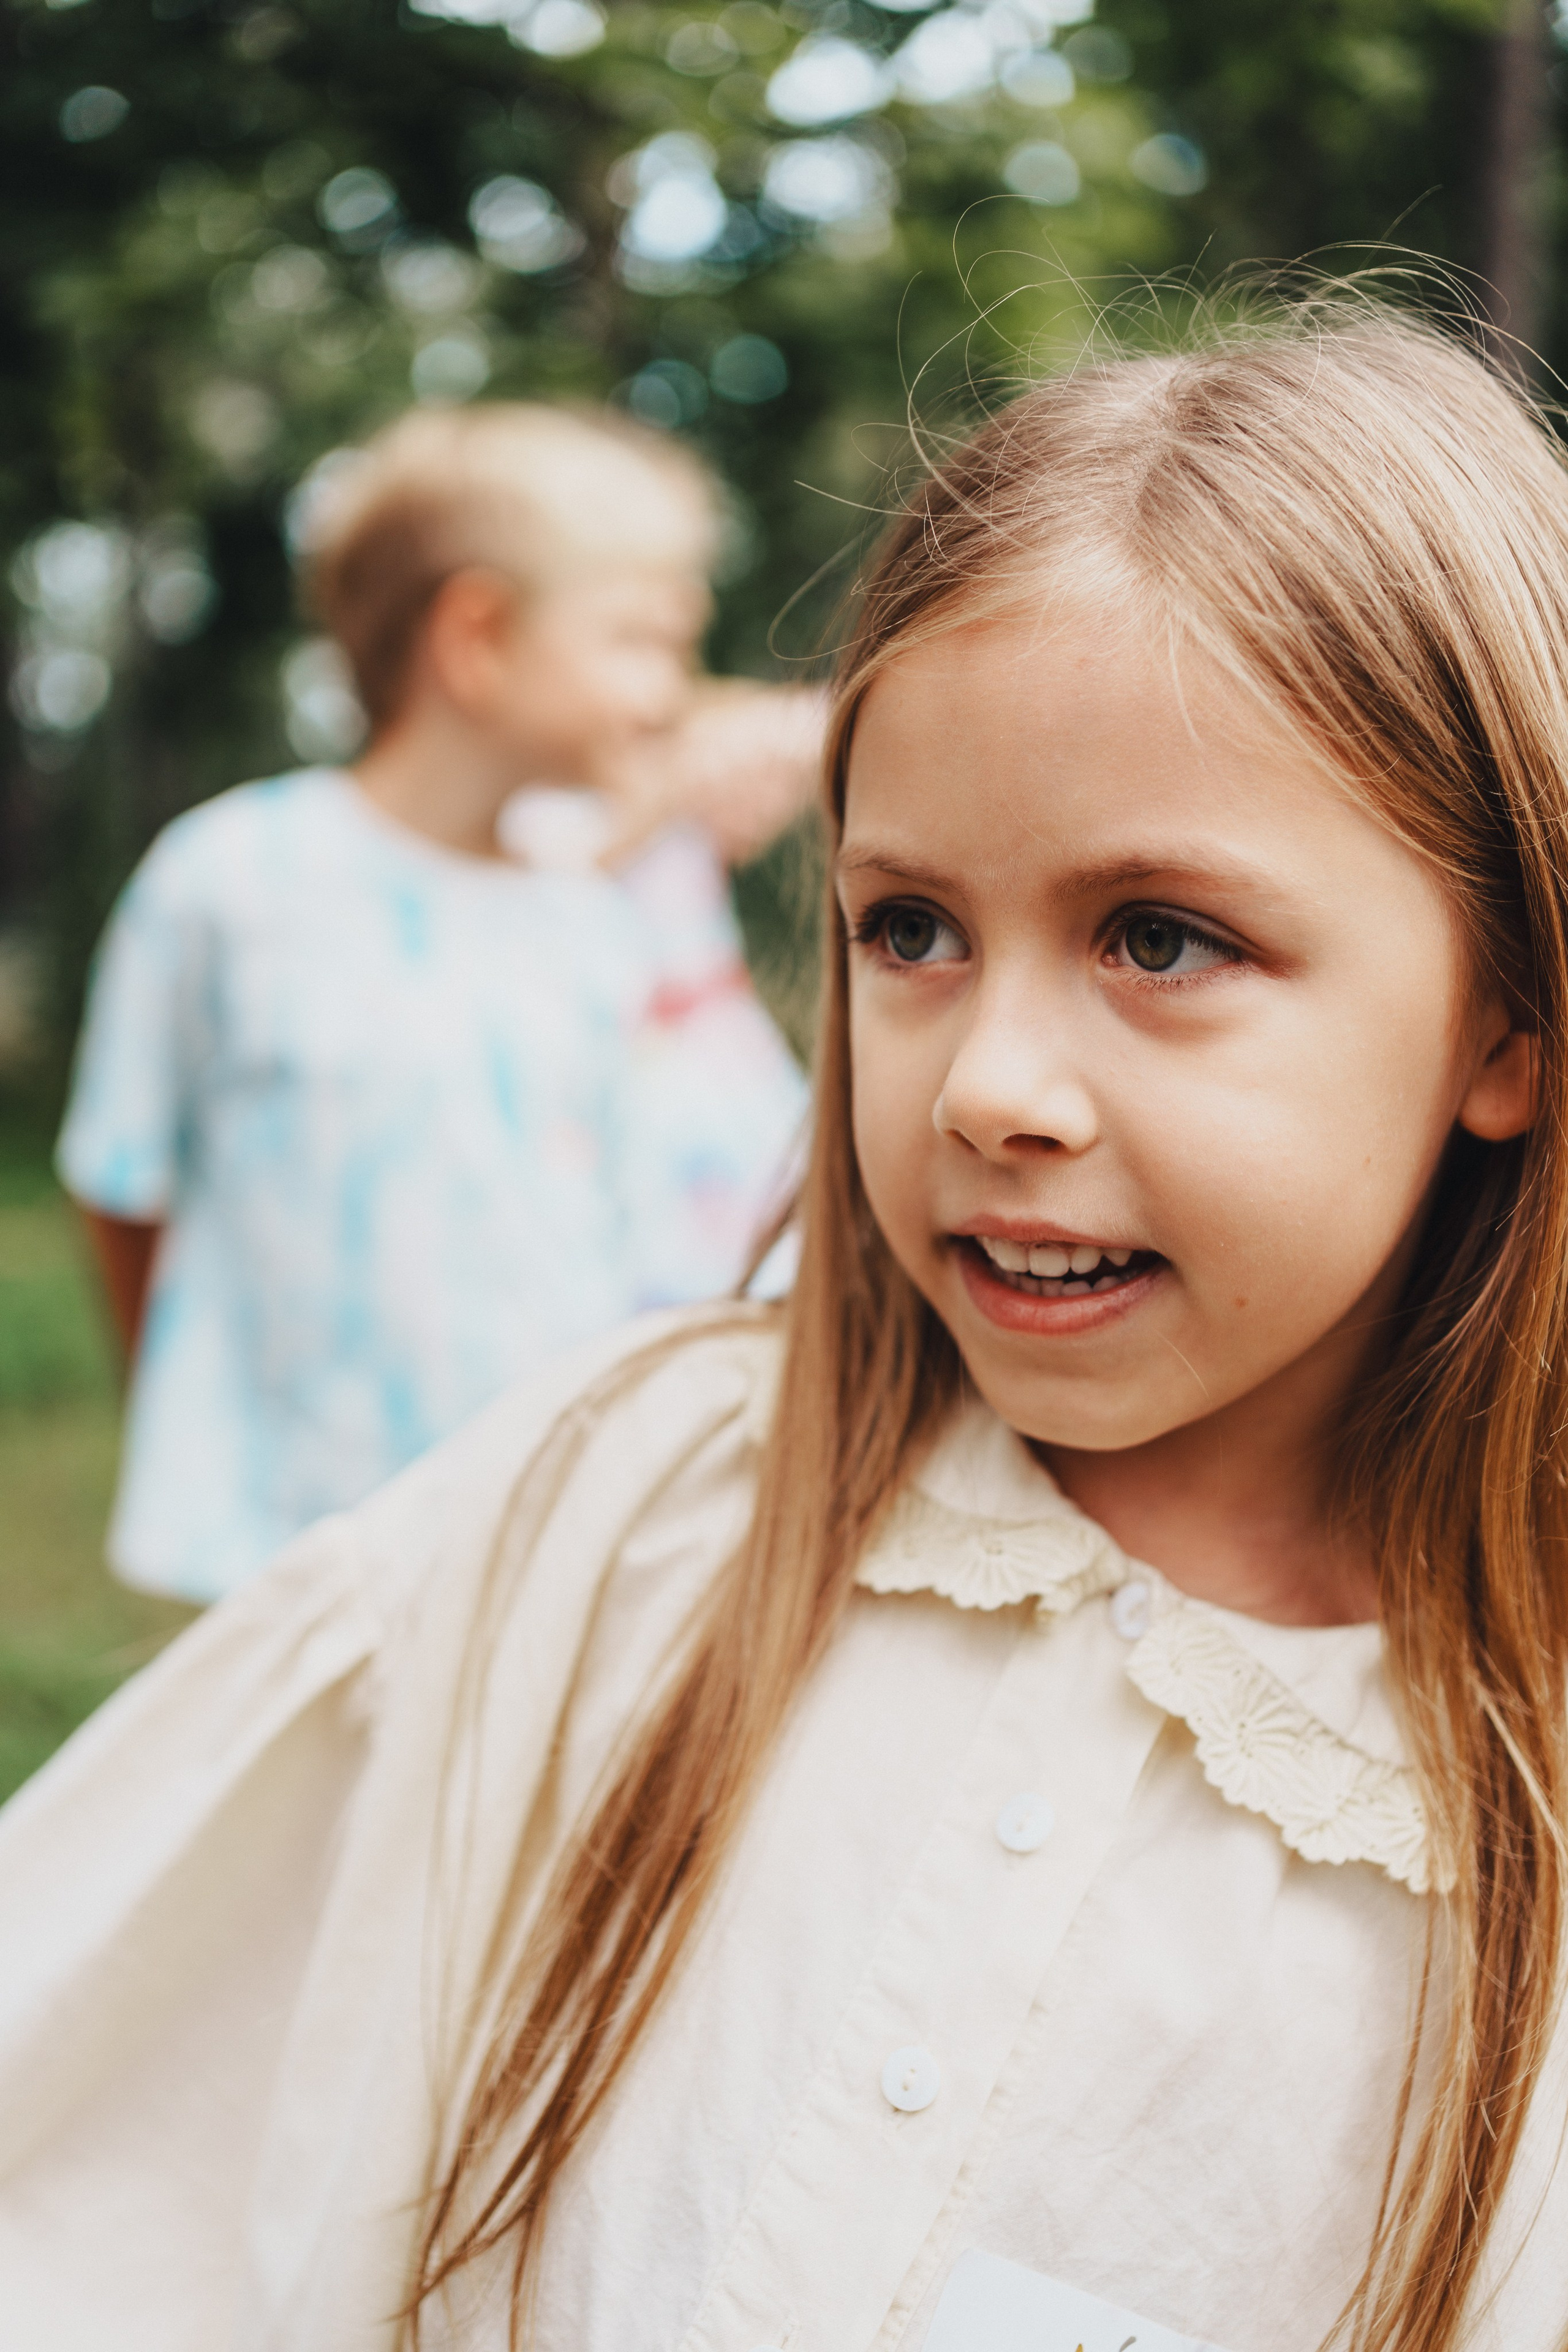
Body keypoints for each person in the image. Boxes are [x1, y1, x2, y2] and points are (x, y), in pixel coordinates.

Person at [5, 300, 1568, 2352]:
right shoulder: (626, 1516)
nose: (987, 1081)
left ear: (1508, 1022)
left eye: (1161, 938)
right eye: (906, 927)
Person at [55, 402, 812, 1602]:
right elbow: (121, 1180)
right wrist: (195, 1421)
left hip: (529, 1557)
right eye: (639, 640)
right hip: (283, 1565)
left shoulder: (592, 912)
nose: (670, 692)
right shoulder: (232, 882)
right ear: (476, 637)